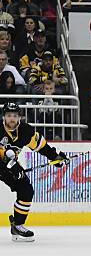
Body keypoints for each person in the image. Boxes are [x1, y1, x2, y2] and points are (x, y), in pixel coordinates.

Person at [0, 102, 68, 241]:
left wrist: (54, 156)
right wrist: (9, 161)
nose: (11, 119)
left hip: (9, 166)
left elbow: (41, 147)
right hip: (7, 163)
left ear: (19, 117)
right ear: (4, 117)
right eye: (8, 115)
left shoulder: (26, 131)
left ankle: (17, 226)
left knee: (26, 190)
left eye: (14, 115)